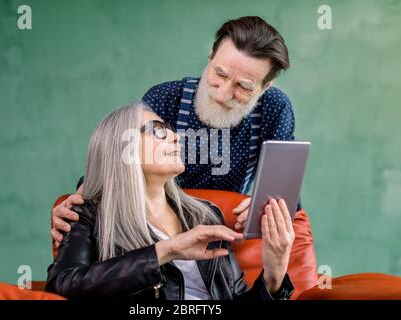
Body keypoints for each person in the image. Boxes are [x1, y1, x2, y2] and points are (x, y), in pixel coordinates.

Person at [51, 16, 297, 248]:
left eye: (244, 86)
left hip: (223, 235)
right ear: (210, 56)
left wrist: (267, 203)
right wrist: (80, 204)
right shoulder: (164, 98)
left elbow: (284, 191)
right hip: (156, 234)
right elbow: (121, 156)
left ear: (265, 87)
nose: (222, 94)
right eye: (219, 73)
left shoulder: (274, 108)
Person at [45, 102, 295, 300]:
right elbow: (61, 287)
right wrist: (166, 251)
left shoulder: (205, 215)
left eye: (172, 130)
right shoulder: (89, 215)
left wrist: (274, 274)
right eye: (158, 131)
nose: (175, 137)